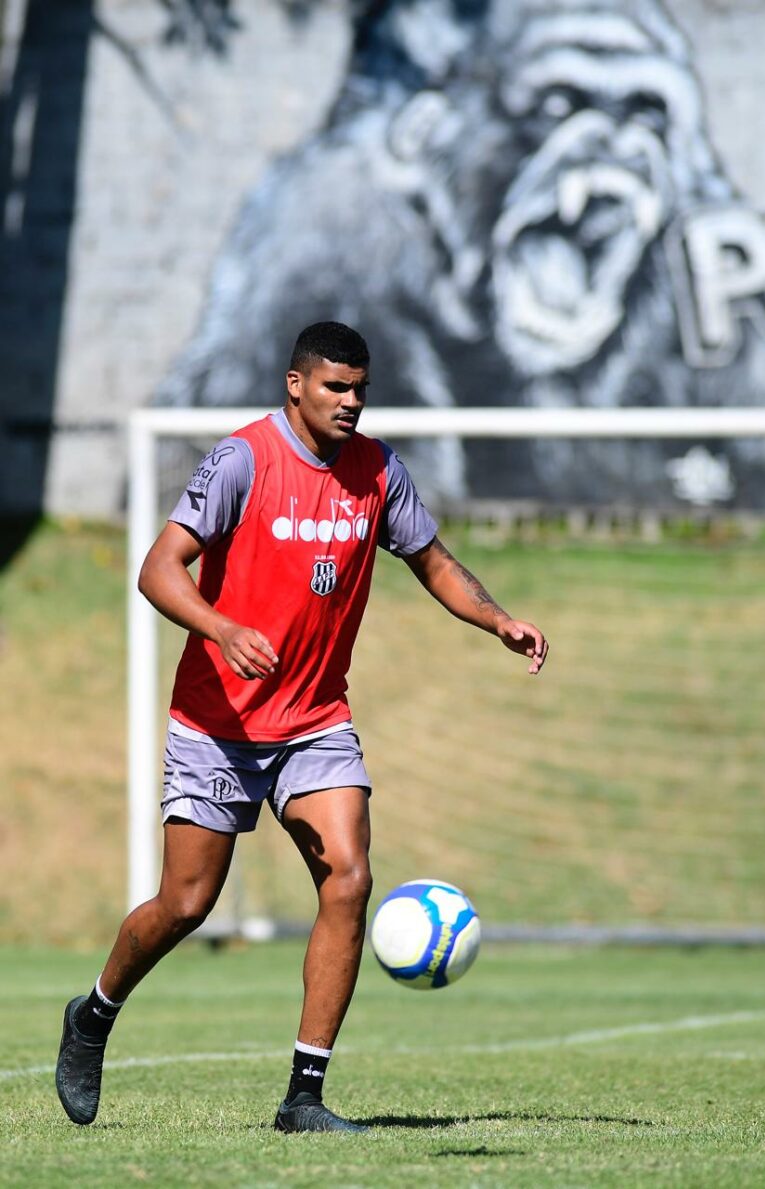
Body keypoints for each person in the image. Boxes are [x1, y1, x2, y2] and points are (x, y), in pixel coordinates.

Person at [55, 321, 548, 1133]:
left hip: (317, 719)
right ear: (296, 385)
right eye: (336, 387)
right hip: (217, 722)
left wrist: (497, 620)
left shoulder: (379, 471)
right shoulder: (244, 460)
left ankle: (304, 1097)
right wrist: (221, 627)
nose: (351, 402)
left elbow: (432, 561)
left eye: (361, 388)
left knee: (349, 877)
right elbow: (157, 568)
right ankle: (95, 1014)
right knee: (185, 903)